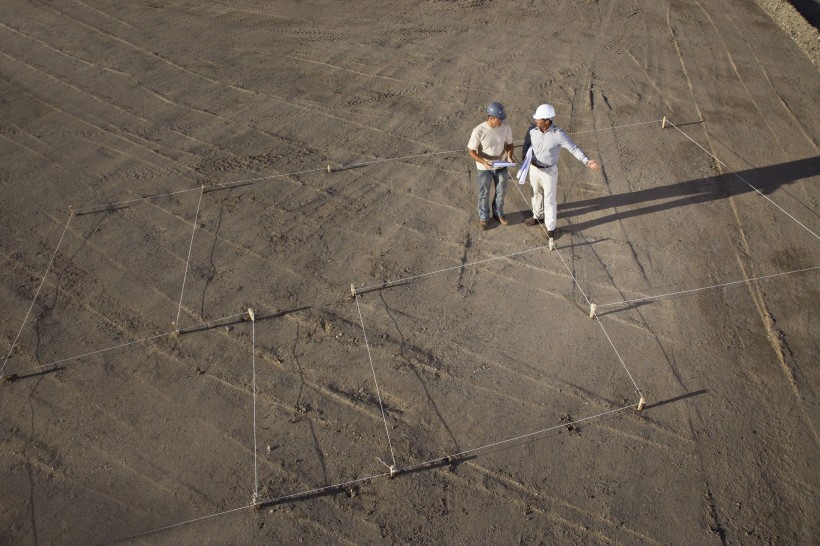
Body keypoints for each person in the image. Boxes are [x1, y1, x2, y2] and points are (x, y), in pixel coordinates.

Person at [521, 104, 600, 238]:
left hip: (549, 172)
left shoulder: (559, 135)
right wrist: (525, 158)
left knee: (550, 200)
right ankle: (538, 216)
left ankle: (550, 228)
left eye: (538, 119)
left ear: (547, 121)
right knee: (536, 193)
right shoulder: (532, 130)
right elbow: (527, 144)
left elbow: (573, 149)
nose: (536, 121)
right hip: (534, 169)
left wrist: (587, 161)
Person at [467, 101, 515, 230]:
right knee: (484, 193)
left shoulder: (506, 127)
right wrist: (483, 162)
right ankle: (484, 218)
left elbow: (510, 144)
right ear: (491, 117)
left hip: (502, 166)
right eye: (499, 119)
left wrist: (510, 156)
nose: (501, 122)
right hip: (484, 169)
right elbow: (471, 151)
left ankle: (498, 214)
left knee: (501, 192)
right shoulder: (479, 131)